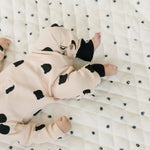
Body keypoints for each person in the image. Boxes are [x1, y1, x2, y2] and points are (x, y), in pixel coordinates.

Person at [0, 24, 118, 146]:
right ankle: (97, 71)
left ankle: (83, 49)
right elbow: (29, 136)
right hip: (53, 86)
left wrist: (1, 46)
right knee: (78, 85)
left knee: (51, 34)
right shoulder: (3, 128)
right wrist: (55, 131)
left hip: (39, 56)